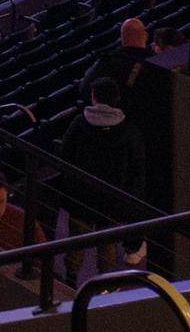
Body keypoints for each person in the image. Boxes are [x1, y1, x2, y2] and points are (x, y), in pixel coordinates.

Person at [56, 79, 147, 282]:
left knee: (76, 242)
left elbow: (64, 154)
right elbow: (137, 169)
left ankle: (70, 281)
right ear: (117, 100)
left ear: (93, 97)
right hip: (113, 201)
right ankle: (105, 287)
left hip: (80, 197)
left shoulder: (79, 123)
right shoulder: (130, 132)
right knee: (107, 245)